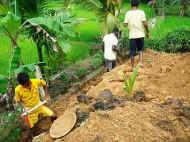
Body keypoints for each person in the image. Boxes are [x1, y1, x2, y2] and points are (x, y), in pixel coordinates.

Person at [124, 0, 149, 69]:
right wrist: (147, 32)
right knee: (140, 49)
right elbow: (145, 23)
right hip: (140, 34)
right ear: (138, 5)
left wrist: (126, 23)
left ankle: (132, 67)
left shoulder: (128, 13)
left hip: (132, 35)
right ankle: (140, 63)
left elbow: (125, 24)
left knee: (132, 51)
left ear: (131, 5)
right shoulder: (141, 12)